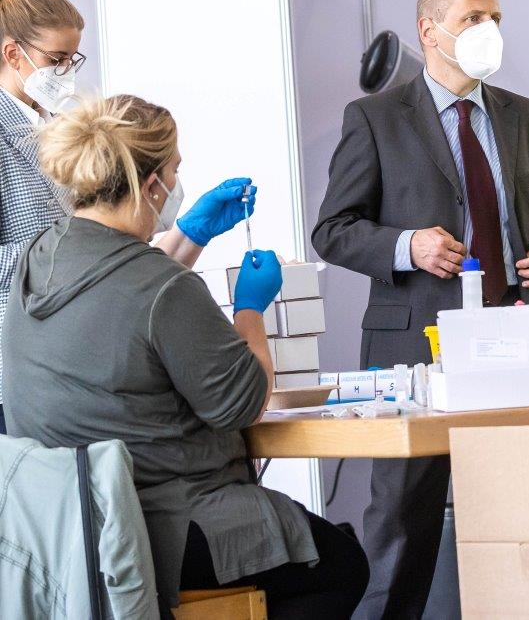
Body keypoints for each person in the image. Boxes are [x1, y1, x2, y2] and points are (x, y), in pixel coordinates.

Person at [0, 95, 369, 617]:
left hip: (66, 526)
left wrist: (188, 236)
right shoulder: (163, 288)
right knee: (342, 563)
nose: (176, 184)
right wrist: (250, 310)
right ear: (152, 185)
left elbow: (121, 297)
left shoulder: (36, 261)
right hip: (166, 521)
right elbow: (243, 403)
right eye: (174, 171)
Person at [312, 0, 529, 618]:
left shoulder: (528, 117)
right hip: (414, 344)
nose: (488, 30)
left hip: (514, 338)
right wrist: (409, 245)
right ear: (428, 31)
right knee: (403, 524)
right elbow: (333, 229)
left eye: (495, 15)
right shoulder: (375, 118)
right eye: (471, 18)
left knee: (526, 515)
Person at [0, 0, 255, 436]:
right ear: (12, 54)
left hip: (91, 361)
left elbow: (115, 260)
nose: (67, 75)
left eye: (73, 61)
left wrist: (187, 233)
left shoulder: (62, 128)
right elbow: (100, 260)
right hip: (28, 374)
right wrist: (75, 253)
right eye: (55, 61)